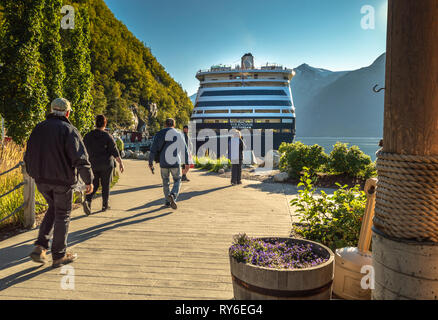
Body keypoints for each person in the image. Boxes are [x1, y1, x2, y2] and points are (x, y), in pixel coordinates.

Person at [24, 98, 94, 268]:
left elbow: (28, 155)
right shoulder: (69, 130)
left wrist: (34, 173)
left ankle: (40, 246)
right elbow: (80, 158)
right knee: (63, 214)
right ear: (67, 113)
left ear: (51, 110)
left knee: (53, 209)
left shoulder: (38, 128)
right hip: (62, 181)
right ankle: (59, 256)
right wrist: (89, 180)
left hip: (41, 180)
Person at [83, 115, 125, 214]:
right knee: (106, 185)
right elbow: (114, 151)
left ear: (95, 123)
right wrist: (121, 163)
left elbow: (82, 150)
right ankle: (105, 205)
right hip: (106, 164)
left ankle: (88, 201)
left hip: (93, 164)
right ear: (105, 124)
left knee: (94, 184)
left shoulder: (88, 136)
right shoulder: (107, 136)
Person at [149, 118, 189, 209]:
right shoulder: (179, 134)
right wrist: (187, 162)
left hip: (163, 162)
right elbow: (184, 149)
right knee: (177, 180)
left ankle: (167, 201)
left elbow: (153, 149)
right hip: (175, 162)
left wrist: (150, 162)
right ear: (174, 125)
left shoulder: (159, 134)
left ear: (165, 124)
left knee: (165, 182)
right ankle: (173, 195)